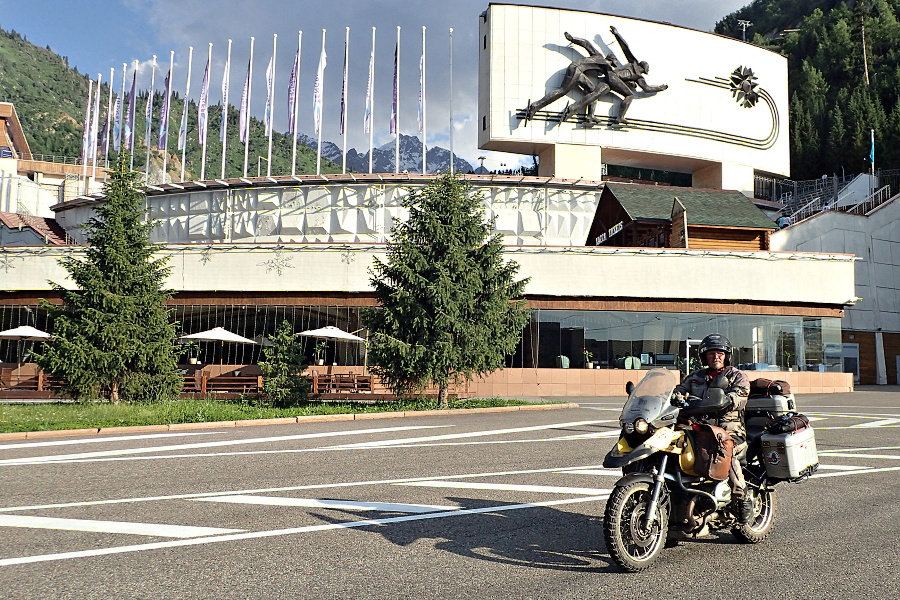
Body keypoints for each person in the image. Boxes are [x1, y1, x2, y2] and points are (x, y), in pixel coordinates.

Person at [673, 333, 754, 524]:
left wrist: (727, 399)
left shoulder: (737, 376)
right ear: (704, 356)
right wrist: (676, 396)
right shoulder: (695, 377)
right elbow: (679, 390)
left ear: (726, 356)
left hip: (729, 430)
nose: (715, 357)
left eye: (720, 353)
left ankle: (741, 498)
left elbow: (741, 395)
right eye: (711, 354)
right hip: (699, 428)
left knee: (726, 450)